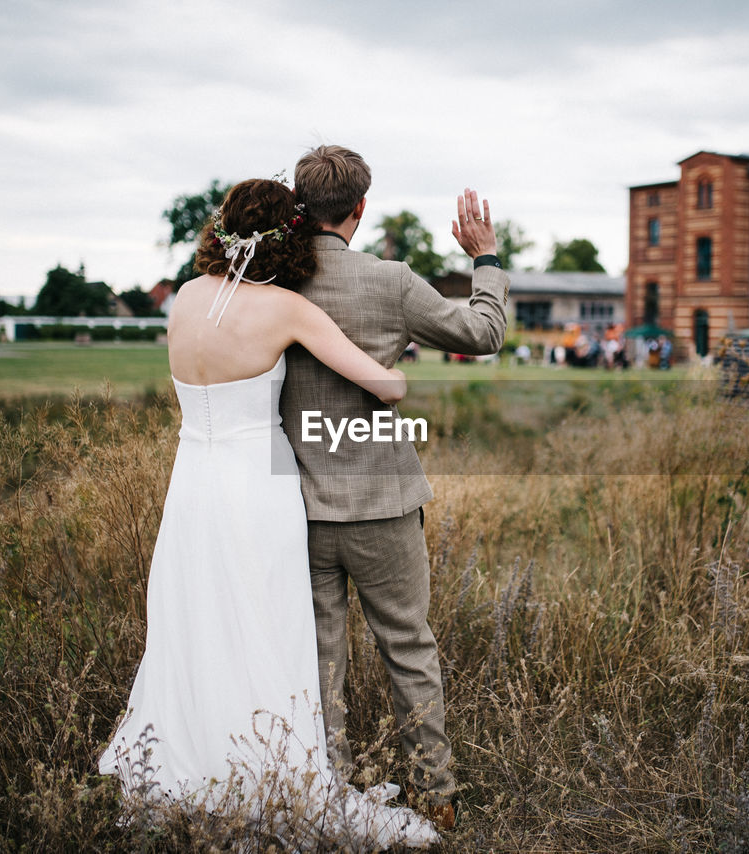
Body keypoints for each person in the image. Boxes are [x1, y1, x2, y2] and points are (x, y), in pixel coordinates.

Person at [98, 177, 439, 850]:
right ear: (290, 234)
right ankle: (269, 770)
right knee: (268, 623)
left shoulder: (187, 299)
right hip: (258, 483)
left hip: (192, 480)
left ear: (223, 229)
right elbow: (388, 389)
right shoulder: (286, 309)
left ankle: (194, 764)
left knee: (199, 622)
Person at [280, 145, 509, 831]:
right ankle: (432, 791)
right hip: (383, 500)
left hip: (297, 504)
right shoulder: (391, 280)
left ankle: (329, 788)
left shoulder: (273, 282)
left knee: (320, 655)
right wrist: (486, 257)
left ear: (302, 205)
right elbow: (485, 332)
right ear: (359, 208)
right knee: (407, 646)